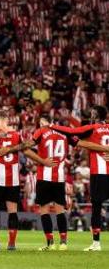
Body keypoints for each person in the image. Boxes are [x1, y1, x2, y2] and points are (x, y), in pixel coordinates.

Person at [50, 105, 109, 251]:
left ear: (96, 115)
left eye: (92, 113)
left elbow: (71, 131)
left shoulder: (93, 128)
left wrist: (51, 126)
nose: (91, 116)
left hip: (99, 173)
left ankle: (96, 243)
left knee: (96, 207)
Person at [0, 113, 34, 251]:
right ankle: (11, 244)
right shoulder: (17, 134)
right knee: (12, 211)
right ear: (7, 121)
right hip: (13, 180)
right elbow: (26, 147)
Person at [25, 115, 74, 250]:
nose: (41, 125)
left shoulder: (41, 131)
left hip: (44, 177)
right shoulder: (64, 132)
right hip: (59, 177)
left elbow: (26, 148)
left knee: (44, 210)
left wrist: (41, 160)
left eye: (42, 122)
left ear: (48, 122)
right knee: (60, 210)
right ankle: (63, 243)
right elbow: (79, 142)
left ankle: (50, 244)